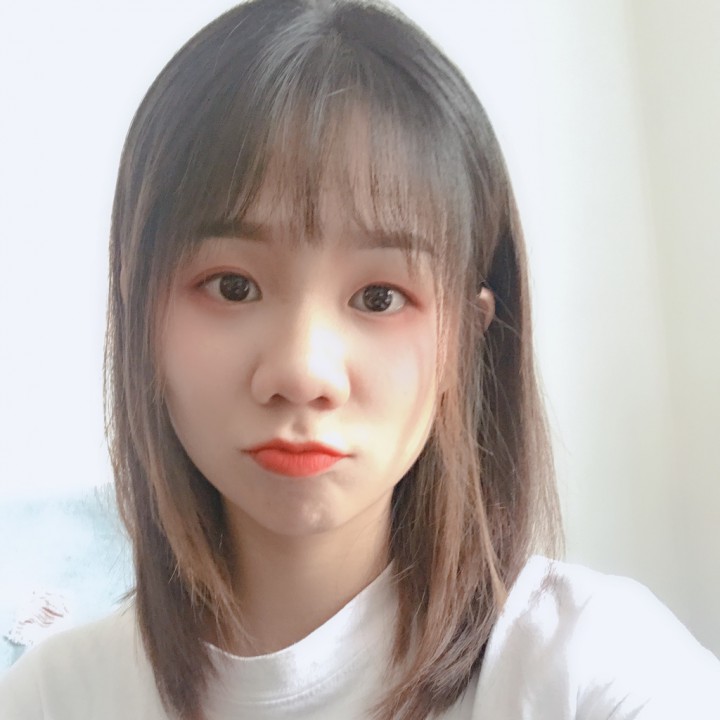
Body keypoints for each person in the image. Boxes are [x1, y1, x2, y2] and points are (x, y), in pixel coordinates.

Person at [1, 1, 718, 718]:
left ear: (465, 341)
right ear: (140, 317)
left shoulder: (591, 671)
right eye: (233, 286)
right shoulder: (54, 698)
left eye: (379, 298)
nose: (303, 373)